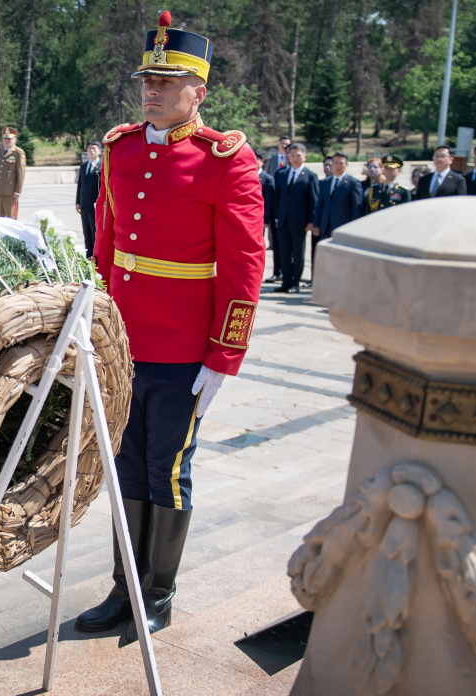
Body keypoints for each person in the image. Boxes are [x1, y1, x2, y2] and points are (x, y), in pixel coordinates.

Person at [78, 10, 264, 642]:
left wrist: (224, 355)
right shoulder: (120, 147)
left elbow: (244, 264)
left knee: (168, 469)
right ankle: (123, 586)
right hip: (123, 345)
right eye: (146, 80)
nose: (152, 90)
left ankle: (159, 591)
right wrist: (94, 320)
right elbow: (105, 244)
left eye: (167, 81)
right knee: (125, 468)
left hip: (185, 349)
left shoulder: (227, 160)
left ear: (198, 92)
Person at [273, 142, 318, 293]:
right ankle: (285, 282)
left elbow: (314, 200)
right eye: (292, 155)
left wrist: (311, 221)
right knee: (284, 252)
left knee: (298, 253)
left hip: (300, 222)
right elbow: (277, 197)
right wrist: (276, 217)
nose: (295, 158)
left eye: (298, 155)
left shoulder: (310, 176)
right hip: (283, 220)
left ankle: (295, 283)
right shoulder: (281, 174)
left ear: (304, 157)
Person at [312, 151, 361, 250]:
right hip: (325, 227)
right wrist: (316, 224)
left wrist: (353, 228)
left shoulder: (353, 183)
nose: (338, 166)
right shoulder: (325, 182)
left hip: (343, 227)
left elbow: (356, 208)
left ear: (346, 165)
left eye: (341, 163)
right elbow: (320, 205)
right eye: (335, 163)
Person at [75, 140, 102, 256]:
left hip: (95, 205)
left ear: (99, 151)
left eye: (94, 148)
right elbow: (80, 185)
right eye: (90, 148)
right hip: (84, 205)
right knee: (86, 233)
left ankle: (97, 257)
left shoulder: (102, 167)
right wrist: (77, 202)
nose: (91, 151)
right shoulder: (84, 166)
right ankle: (88, 256)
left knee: (95, 232)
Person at [0, 126, 25, 218]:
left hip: (10, 191)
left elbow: (20, 174)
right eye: (5, 138)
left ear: (15, 139)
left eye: (10, 138)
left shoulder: (18, 153)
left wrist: (18, 191)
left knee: (10, 217)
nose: (7, 140)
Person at [254, 149, 276, 278]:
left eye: (256, 159)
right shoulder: (243, 175)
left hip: (260, 221)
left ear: (262, 162)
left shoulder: (267, 179)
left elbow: (269, 202)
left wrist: (265, 220)